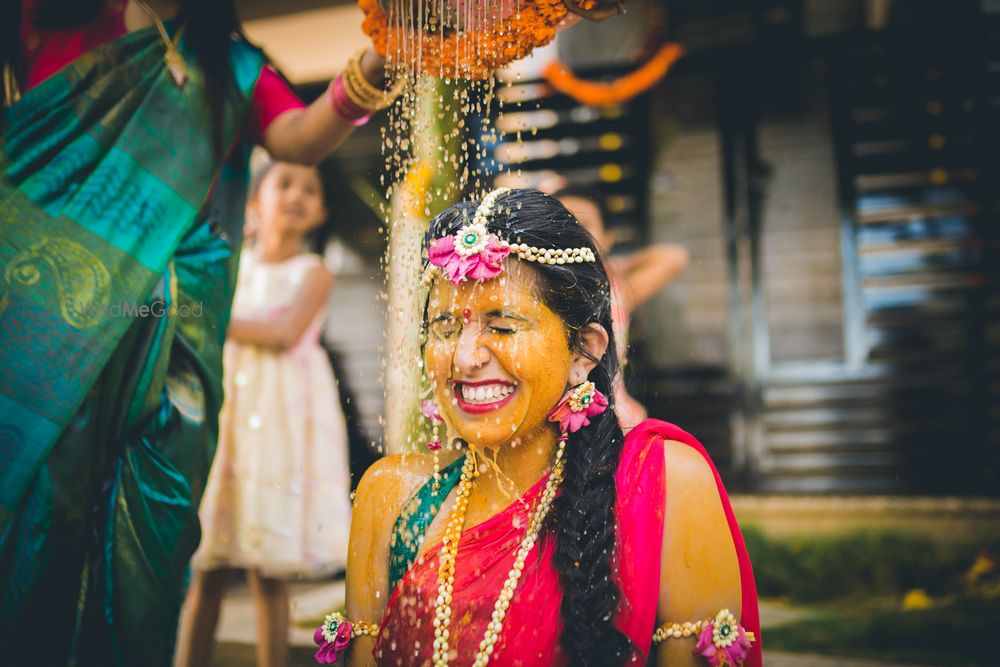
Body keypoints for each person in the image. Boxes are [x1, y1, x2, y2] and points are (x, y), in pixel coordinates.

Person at [0, 1, 395, 664]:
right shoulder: (54, 17)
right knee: (44, 494)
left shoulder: (228, 64)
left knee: (155, 519)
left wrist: (386, 54)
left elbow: (298, 136)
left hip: (177, 327)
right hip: (51, 316)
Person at [320, 189, 760, 666]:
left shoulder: (665, 482)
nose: (465, 358)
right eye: (445, 328)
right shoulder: (392, 495)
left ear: (583, 352)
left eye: (503, 325)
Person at [176, 161, 353, 667]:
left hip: (282, 422)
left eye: (311, 189)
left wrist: (210, 318)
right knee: (207, 567)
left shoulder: (315, 272)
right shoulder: (233, 264)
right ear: (253, 204)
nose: (298, 195)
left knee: (268, 571)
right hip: (230, 413)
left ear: (319, 211)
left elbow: (282, 334)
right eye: (285, 184)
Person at [555, 187, 690, 431]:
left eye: (582, 226)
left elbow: (674, 256)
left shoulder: (618, 292)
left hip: (615, 428)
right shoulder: (527, 290)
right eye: (561, 225)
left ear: (606, 238)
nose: (571, 235)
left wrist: (612, 263)